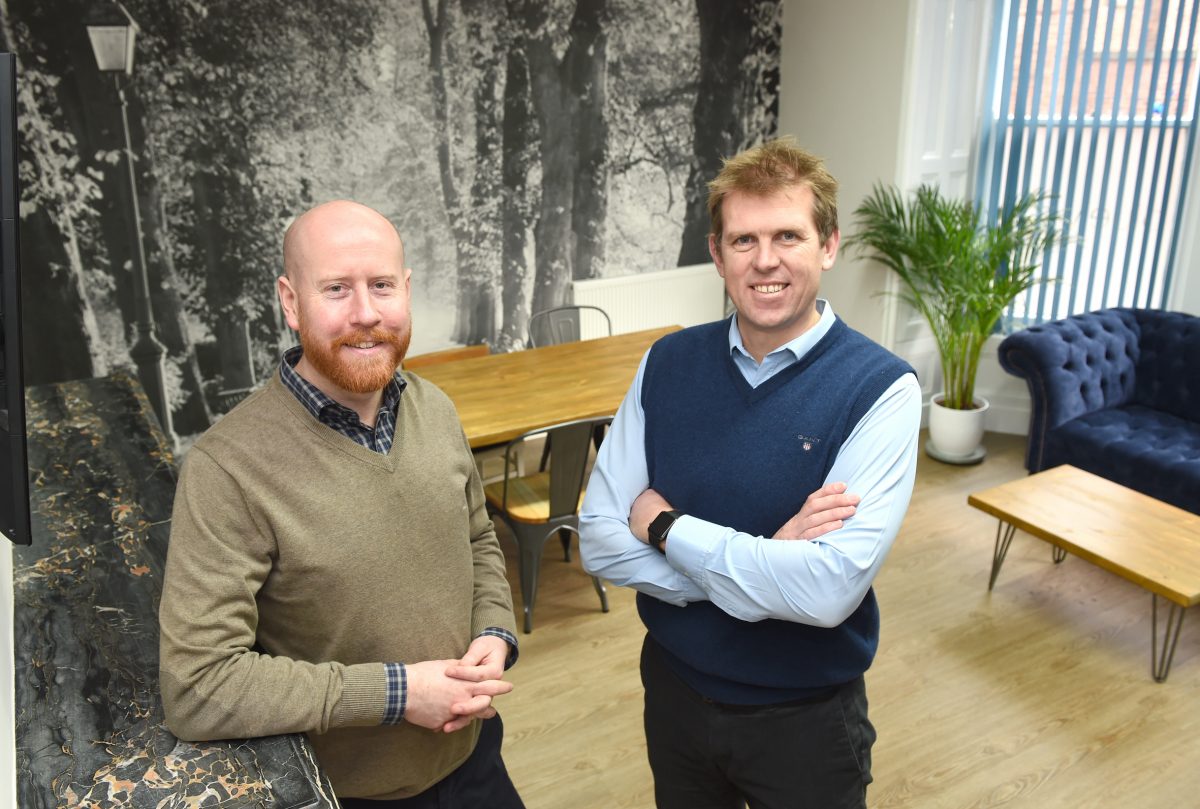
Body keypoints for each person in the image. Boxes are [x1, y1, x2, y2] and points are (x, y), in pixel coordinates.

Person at [579, 138, 921, 809]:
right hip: (674, 696)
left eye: (788, 235)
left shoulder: (882, 389)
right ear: (717, 254)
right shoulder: (666, 363)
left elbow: (827, 589)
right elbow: (596, 537)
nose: (766, 260)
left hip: (804, 722)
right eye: (744, 240)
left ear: (828, 245)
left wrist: (665, 526)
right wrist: (765, 561)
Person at [158, 200, 525, 808]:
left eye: (382, 286)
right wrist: (398, 694)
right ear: (290, 301)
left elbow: (477, 540)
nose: (365, 314)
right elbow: (198, 688)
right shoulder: (226, 469)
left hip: (475, 757)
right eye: (335, 290)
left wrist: (495, 630)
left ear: (405, 289)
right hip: (344, 793)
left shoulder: (436, 407)